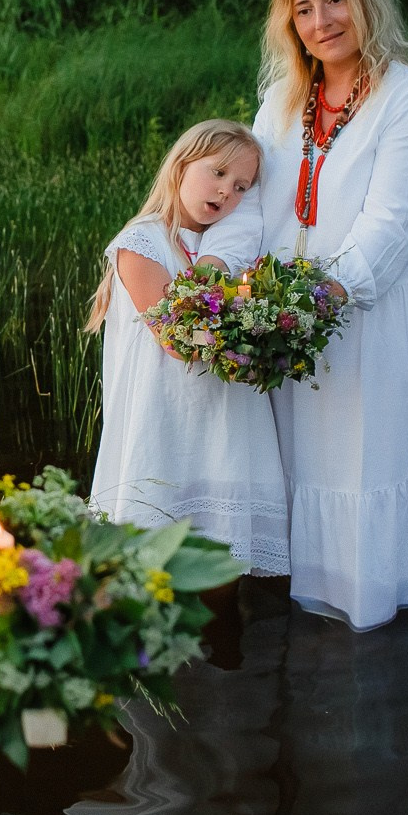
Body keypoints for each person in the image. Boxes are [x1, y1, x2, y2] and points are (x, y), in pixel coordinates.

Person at [201, 0, 408, 630]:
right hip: (286, 332)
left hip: (365, 321)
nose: (321, 21)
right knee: (293, 472)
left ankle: (371, 618)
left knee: (361, 461)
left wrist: (311, 304)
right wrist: (224, 285)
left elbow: (391, 227)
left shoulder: (406, 96)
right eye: (303, 9)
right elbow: (248, 203)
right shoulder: (283, 97)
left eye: (333, 0)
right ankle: (300, 618)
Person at [85, 120, 289, 576]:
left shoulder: (225, 248)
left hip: (222, 426)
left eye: (240, 187)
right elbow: (174, 338)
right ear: (181, 165)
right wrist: (238, 342)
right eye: (217, 173)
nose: (226, 193)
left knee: (221, 565)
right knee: (156, 565)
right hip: (162, 425)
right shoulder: (142, 243)